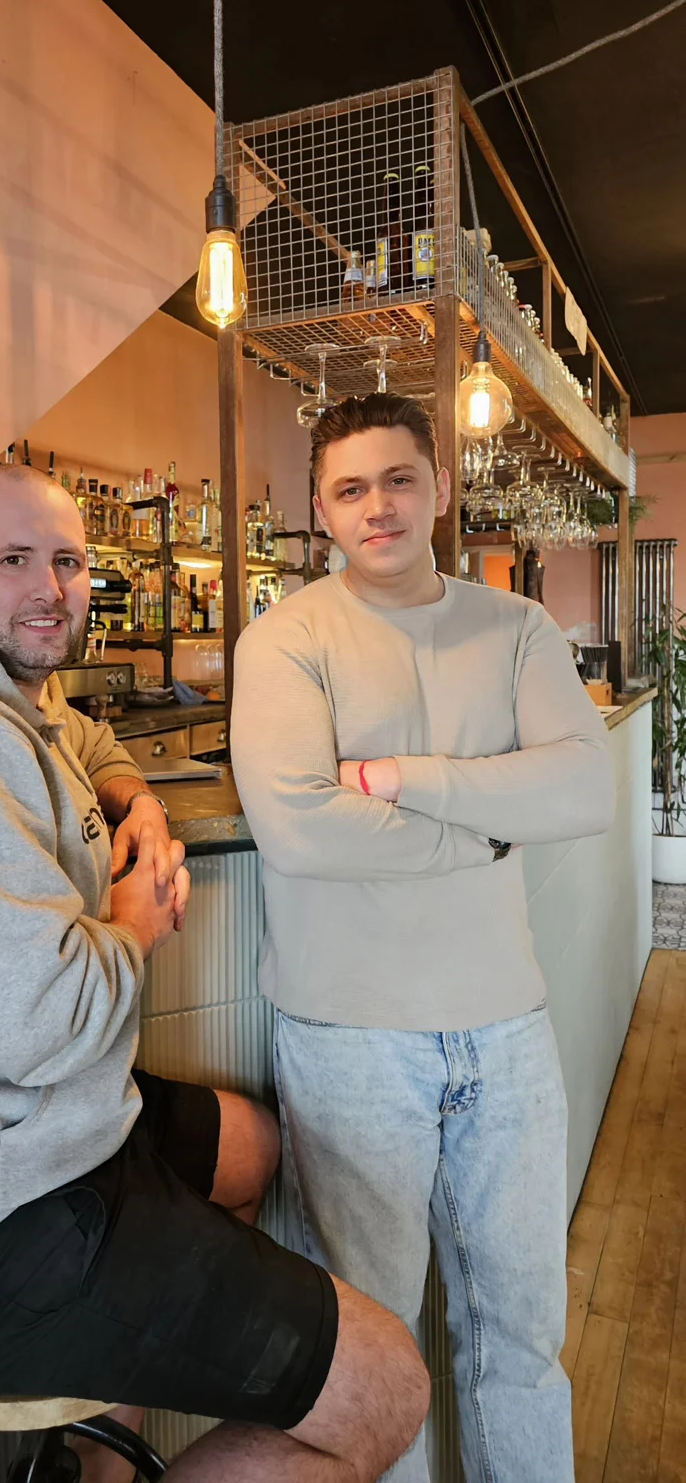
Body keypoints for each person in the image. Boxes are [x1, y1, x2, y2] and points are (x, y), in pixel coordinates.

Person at [0, 462, 429, 1483]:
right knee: (389, 1386)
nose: (48, 588)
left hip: (23, 1140)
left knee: (255, 1147)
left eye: (67, 562)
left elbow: (79, 733)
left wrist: (131, 794)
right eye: (13, 562)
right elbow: (42, 1025)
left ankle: (96, 1464)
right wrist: (131, 926)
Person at [230, 393, 615, 1483]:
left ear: (439, 486)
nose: (377, 506)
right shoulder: (285, 638)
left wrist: (410, 783)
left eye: (398, 478)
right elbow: (300, 828)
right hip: (349, 1040)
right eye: (350, 489)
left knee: (524, 1341)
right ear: (320, 509)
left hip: (507, 1028)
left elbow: (580, 784)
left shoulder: (516, 629)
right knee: (370, 1355)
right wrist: (489, 824)